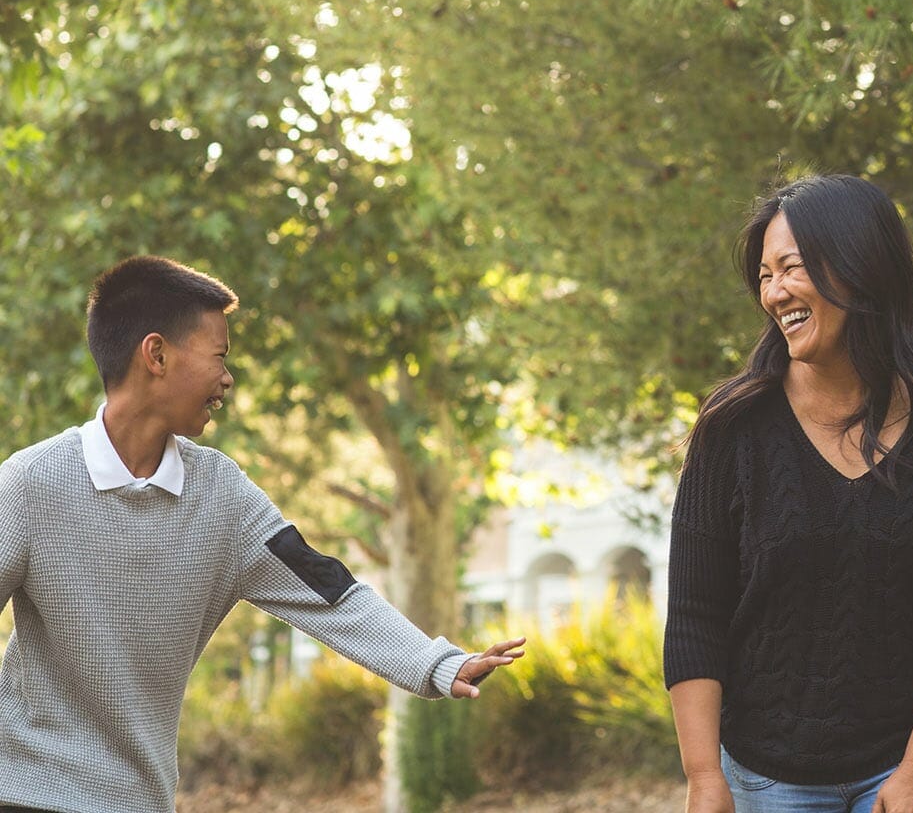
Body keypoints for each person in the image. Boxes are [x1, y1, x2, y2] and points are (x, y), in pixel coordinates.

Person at [0, 256, 524, 813]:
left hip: (139, 800)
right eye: (219, 356)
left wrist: (434, 663)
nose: (227, 379)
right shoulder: (30, 485)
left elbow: (328, 589)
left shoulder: (221, 495)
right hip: (23, 793)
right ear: (156, 355)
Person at [662, 174, 913, 813]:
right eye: (765, 276)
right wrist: (703, 776)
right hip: (764, 776)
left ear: (861, 265)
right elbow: (695, 613)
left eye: (791, 268)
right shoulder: (733, 426)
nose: (774, 293)